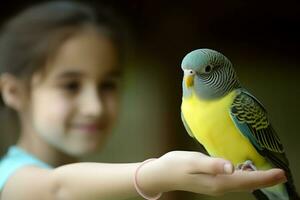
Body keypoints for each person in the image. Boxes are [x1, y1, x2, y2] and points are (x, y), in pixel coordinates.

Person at [0, 1, 287, 200]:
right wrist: (156, 175)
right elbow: (54, 191)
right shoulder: (10, 178)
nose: (94, 106)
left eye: (108, 85)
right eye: (70, 85)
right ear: (14, 92)